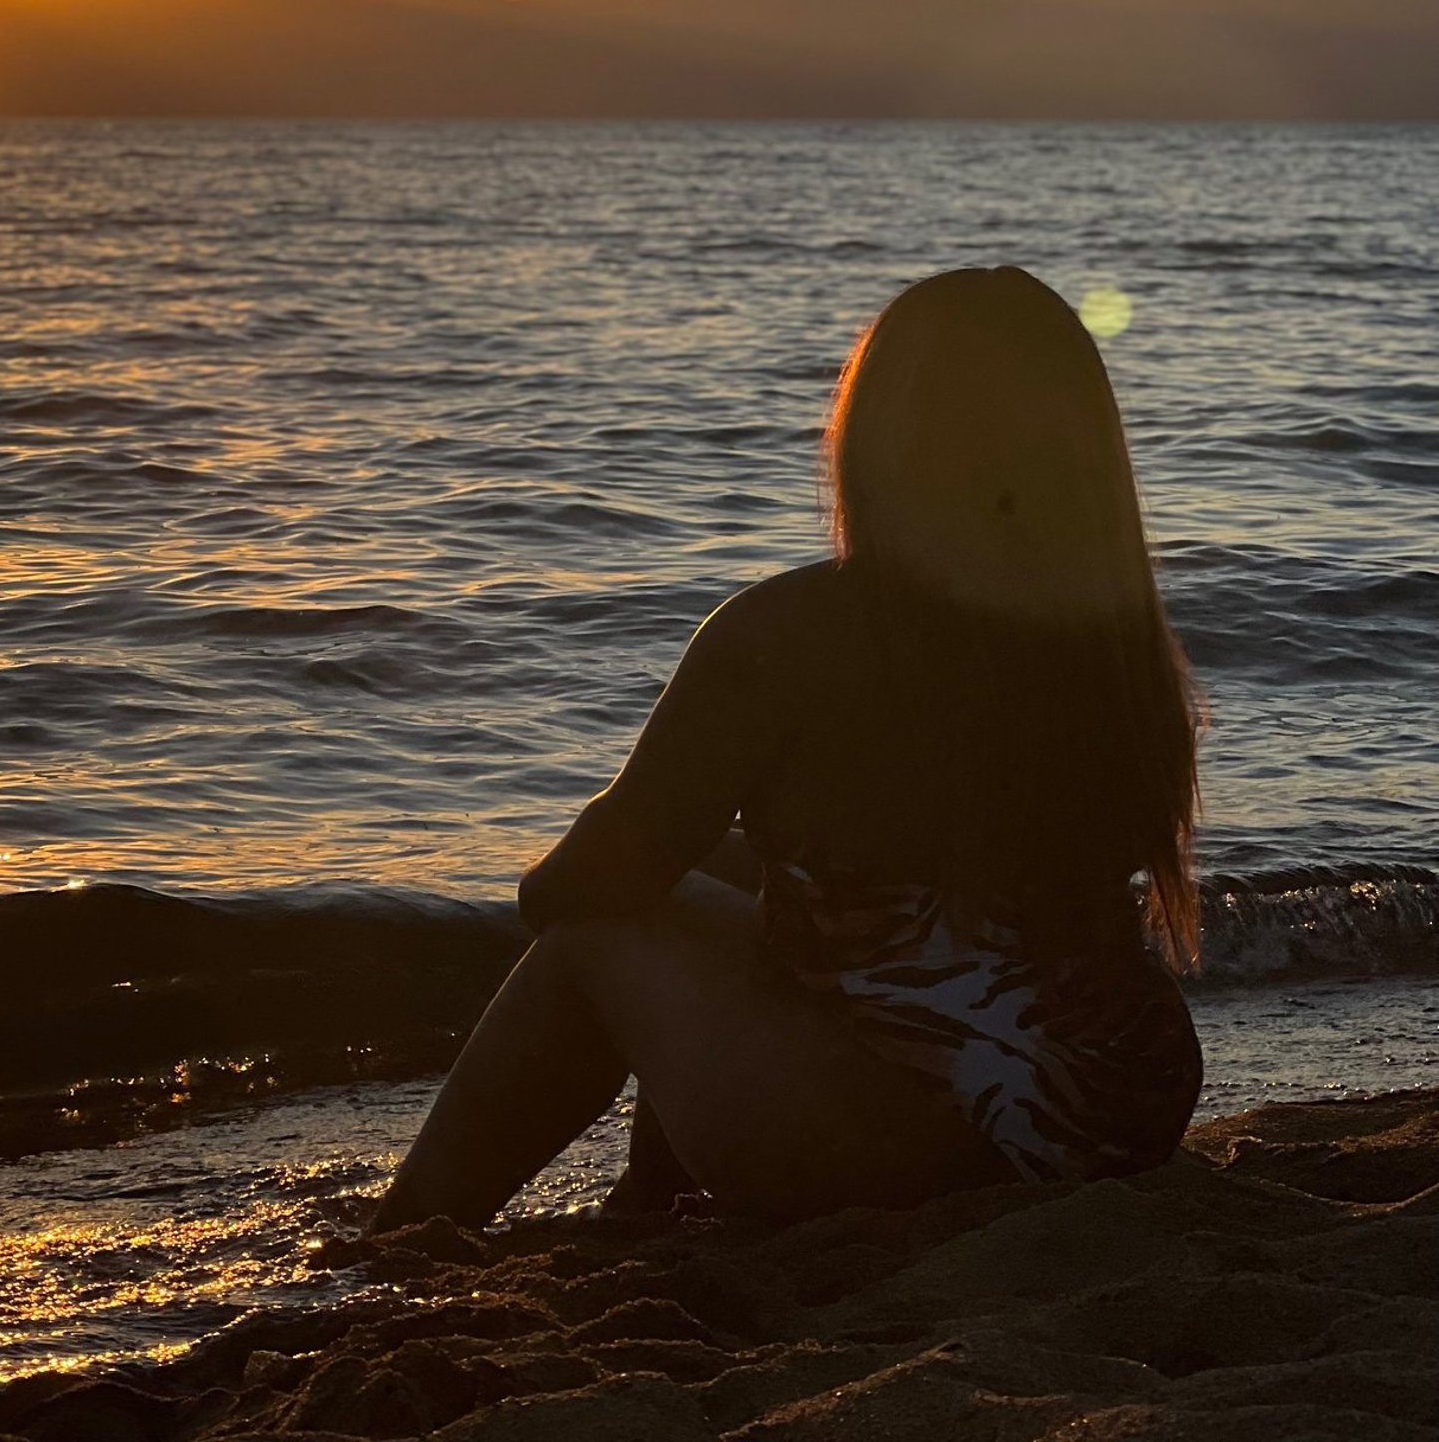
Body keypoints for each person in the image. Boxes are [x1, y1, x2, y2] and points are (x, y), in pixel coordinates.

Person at [375, 265, 1202, 1230]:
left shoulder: (788, 635)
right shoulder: (1115, 642)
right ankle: (652, 1198)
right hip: (1115, 1107)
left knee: (605, 930)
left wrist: (584, 859)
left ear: (884, 437)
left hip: (924, 1141)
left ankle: (407, 1231)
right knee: (739, 869)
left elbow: (577, 887)